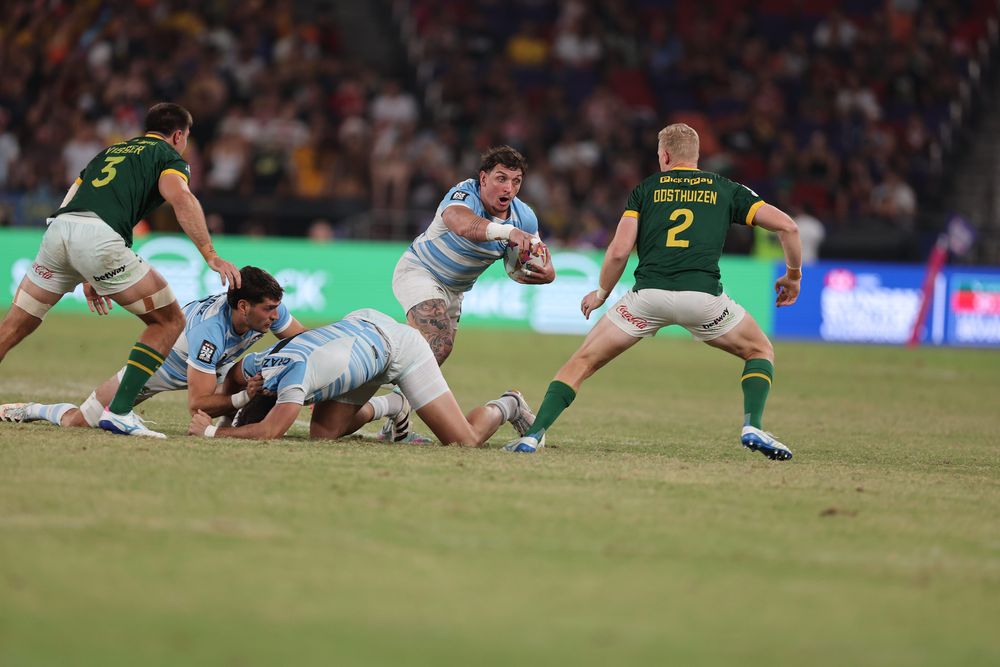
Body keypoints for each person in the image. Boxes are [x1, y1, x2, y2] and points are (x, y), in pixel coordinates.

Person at [505, 123, 802, 460]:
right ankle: (753, 425)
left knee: (581, 363)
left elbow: (618, 251)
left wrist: (601, 293)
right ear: (696, 156)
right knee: (759, 351)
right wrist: (793, 276)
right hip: (703, 299)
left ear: (664, 155)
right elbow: (788, 227)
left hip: (646, 299)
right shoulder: (726, 188)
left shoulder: (645, 190)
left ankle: (532, 436)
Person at [0, 102, 241, 438]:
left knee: (14, 324)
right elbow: (181, 197)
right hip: (99, 238)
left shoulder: (111, 151)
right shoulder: (168, 156)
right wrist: (210, 255)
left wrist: (84, 271)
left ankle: (119, 410)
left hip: (59, 230)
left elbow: (71, 198)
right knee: (168, 321)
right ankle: (120, 411)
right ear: (178, 135)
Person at [0, 266, 306, 435]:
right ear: (243, 306)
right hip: (158, 371)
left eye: (276, 308)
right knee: (79, 422)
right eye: (268, 309)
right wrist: (245, 397)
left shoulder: (266, 311)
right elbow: (198, 404)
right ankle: (32, 410)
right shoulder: (208, 333)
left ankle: (233, 424)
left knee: (265, 364)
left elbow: (303, 340)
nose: (275, 316)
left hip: (218, 366)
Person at [186, 308, 536, 446]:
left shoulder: (293, 378)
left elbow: (270, 431)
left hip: (400, 348)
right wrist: (236, 404)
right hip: (358, 335)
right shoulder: (261, 366)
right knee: (322, 434)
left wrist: (215, 430)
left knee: (465, 441)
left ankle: (508, 404)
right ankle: (393, 405)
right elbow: (233, 376)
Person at [392, 145, 556, 365]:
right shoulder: (464, 194)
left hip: (456, 291)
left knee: (435, 356)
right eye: (501, 178)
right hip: (421, 271)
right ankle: (376, 361)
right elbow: (462, 225)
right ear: (483, 178)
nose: (508, 188)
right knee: (439, 342)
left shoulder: (524, 217)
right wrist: (509, 232)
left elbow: (538, 254)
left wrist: (548, 274)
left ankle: (384, 398)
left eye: (516, 181)